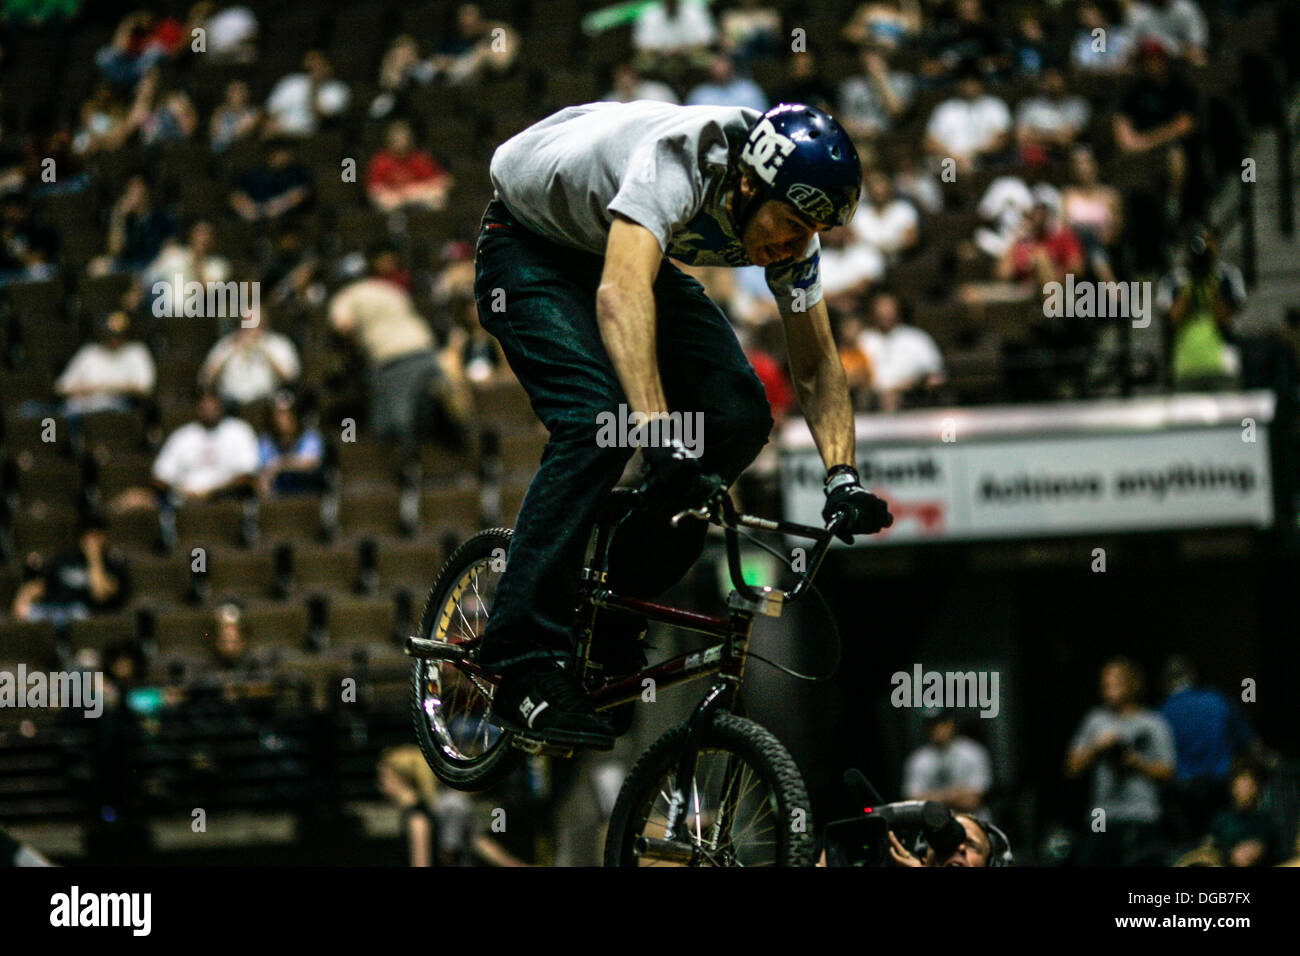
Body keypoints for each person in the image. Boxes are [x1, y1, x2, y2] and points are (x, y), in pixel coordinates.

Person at [473, 101, 893, 750]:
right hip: (530, 246)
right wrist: (658, 427)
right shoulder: (684, 158)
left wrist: (842, 477)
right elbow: (618, 293)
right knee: (597, 421)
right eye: (788, 225)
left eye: (813, 232)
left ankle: (616, 600)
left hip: (622, 251)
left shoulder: (788, 223)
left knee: (739, 415)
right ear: (748, 183)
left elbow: (813, 362)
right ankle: (517, 658)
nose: (793, 246)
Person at [1066, 657, 1177, 866]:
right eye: (1104, 684)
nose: (1106, 689)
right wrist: (1097, 748)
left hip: (1143, 816)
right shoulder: (1095, 720)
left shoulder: (1152, 723)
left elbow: (1169, 773)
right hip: (1102, 816)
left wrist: (1136, 762)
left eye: (1113, 683)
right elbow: (1071, 769)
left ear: (1130, 684)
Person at [1159, 654, 1258, 840]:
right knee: (1221, 844)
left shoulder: (1162, 711)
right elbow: (1248, 742)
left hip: (1182, 794)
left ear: (1166, 683)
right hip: (1219, 788)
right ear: (1193, 676)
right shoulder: (1217, 700)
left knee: (1187, 848)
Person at [1156, 224, 1246, 391]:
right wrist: (1191, 283)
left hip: (1223, 360)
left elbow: (1225, 319)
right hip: (1186, 363)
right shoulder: (1174, 280)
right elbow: (1173, 319)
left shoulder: (1228, 276)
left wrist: (1210, 282)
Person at [10, 511, 131, 626]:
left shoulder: (113, 564)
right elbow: (39, 585)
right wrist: (24, 598)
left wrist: (94, 557)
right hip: (54, 611)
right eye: (88, 534)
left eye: (97, 534)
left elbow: (100, 594)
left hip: (85, 616)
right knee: (29, 612)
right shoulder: (65, 558)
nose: (92, 539)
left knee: (79, 615)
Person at [55, 310, 155, 417]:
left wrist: (106, 387)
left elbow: (145, 388)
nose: (114, 340)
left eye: (119, 335)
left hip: (120, 411)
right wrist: (87, 389)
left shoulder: (136, 351)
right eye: (111, 335)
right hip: (83, 411)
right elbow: (61, 387)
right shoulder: (90, 352)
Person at [199, 308, 301, 409]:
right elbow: (205, 379)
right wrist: (230, 351)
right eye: (246, 324)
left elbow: (290, 377)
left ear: (264, 323)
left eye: (255, 325)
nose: (250, 329)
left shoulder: (278, 344)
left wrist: (263, 349)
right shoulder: (225, 344)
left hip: (268, 403)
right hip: (228, 405)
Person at [859, 289, 944, 410]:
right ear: (872, 311)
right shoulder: (863, 340)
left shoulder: (917, 338)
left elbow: (937, 375)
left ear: (898, 309)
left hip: (911, 399)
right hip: (870, 401)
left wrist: (913, 386)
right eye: (881, 307)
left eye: (889, 307)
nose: (885, 312)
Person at [902, 711, 992, 815]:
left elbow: (971, 801)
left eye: (943, 723)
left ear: (951, 724)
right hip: (935, 827)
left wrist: (931, 798)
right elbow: (913, 804)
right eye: (933, 725)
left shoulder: (972, 752)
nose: (938, 729)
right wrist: (956, 794)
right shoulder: (917, 760)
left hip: (972, 823)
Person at [365, 120, 452, 213]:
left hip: (417, 197)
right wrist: (395, 194)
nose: (400, 142)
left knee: (437, 196)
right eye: (396, 139)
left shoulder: (420, 158)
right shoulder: (380, 160)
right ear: (389, 140)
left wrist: (413, 191)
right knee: (384, 201)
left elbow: (444, 181)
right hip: (393, 200)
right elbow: (373, 187)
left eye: (403, 138)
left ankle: (430, 226)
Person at [1206, 761, 1282, 867]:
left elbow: (1247, 857)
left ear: (1258, 788)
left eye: (1249, 785)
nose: (1243, 789)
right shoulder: (1221, 819)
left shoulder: (1265, 821)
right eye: (1239, 783)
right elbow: (1207, 849)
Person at [257, 389, 325, 496]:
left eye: (287, 413)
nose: (283, 419)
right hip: (279, 493)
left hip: (308, 492)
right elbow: (263, 468)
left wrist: (279, 465)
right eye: (279, 414)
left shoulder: (310, 435)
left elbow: (311, 462)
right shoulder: (267, 440)